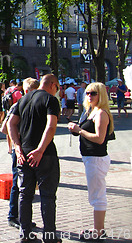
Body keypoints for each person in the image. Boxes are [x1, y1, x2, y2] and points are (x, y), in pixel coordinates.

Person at [8, 74, 61, 243]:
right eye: (58, 88)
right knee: (47, 196)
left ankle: (26, 234)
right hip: (44, 155)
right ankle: (50, 236)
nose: (57, 91)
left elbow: (11, 123)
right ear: (52, 85)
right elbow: (51, 126)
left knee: (25, 194)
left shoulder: (23, 99)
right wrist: (40, 149)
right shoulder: (50, 100)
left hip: (23, 153)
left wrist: (17, 146)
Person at [68, 82, 114, 241]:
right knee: (96, 194)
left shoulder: (101, 113)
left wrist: (79, 130)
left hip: (96, 158)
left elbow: (100, 139)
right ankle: (98, 229)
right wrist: (76, 129)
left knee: (97, 196)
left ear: (100, 94)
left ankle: (99, 232)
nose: (89, 96)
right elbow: (85, 131)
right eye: (87, 92)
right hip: (90, 157)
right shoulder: (90, 111)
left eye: (93, 93)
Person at [1, 77, 39, 230]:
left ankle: (24, 218)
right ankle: (13, 216)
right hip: (21, 150)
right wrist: (17, 139)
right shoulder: (19, 105)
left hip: (27, 150)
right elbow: (5, 128)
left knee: (27, 185)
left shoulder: (28, 105)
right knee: (18, 184)